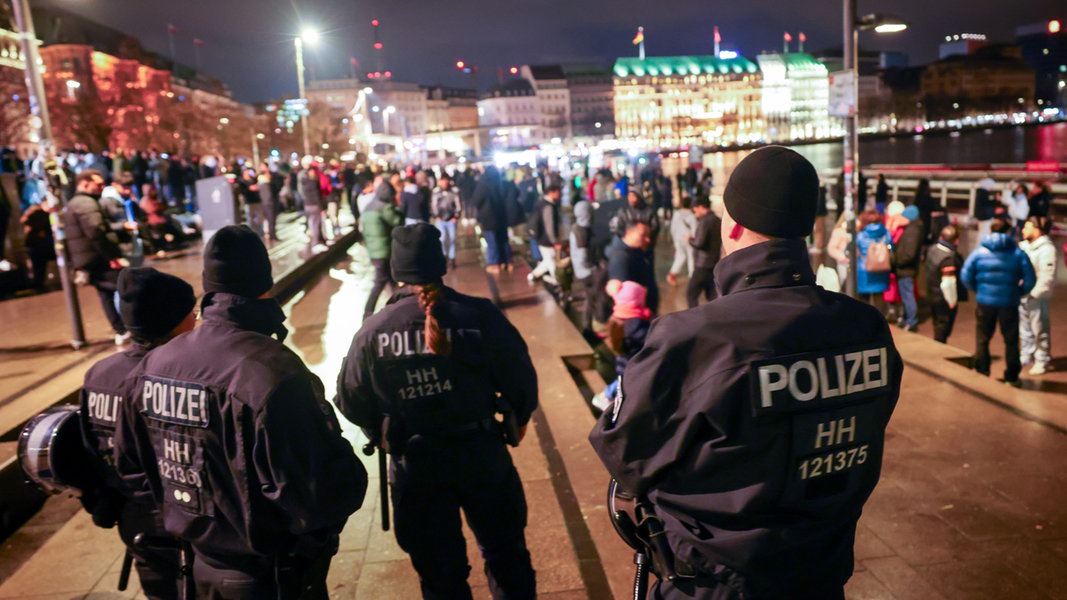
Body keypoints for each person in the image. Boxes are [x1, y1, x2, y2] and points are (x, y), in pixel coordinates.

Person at [589, 146, 902, 599]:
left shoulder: (691, 338)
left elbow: (624, 455)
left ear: (731, 225)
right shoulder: (867, 328)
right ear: (804, 229)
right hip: (821, 575)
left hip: (717, 584)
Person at [115, 226, 367, 599]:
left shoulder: (151, 367)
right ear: (264, 282)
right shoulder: (271, 371)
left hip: (196, 567)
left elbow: (132, 467)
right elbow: (318, 492)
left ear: (209, 286)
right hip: (270, 577)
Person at [335, 223, 538, 599]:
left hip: (416, 466)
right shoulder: (480, 316)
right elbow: (520, 375)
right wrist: (518, 417)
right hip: (481, 455)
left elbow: (349, 397)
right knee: (507, 556)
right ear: (439, 264)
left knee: (440, 575)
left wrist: (379, 429)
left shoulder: (373, 331)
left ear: (397, 271)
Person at [80, 267, 196, 600]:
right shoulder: (176, 377)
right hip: (186, 516)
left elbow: (91, 449)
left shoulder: (98, 374)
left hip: (135, 519)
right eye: (191, 312)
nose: (195, 319)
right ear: (175, 321)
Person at [960, 217, 1036, 387]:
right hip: (1009, 302)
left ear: (991, 231)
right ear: (1009, 232)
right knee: (1011, 340)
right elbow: (1030, 279)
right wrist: (1018, 292)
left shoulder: (979, 252)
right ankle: (1011, 376)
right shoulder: (1018, 253)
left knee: (983, 338)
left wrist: (978, 290)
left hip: (985, 302)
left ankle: (982, 369)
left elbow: (965, 275)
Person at [62, 169, 131, 345]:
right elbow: (96, 232)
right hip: (99, 257)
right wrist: (113, 256)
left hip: (87, 259)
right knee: (126, 288)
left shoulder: (73, 203)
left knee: (106, 294)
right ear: (84, 184)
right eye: (98, 184)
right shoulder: (87, 203)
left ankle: (121, 330)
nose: (102, 187)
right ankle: (135, 328)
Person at [590, 280, 652, 412]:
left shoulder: (619, 317)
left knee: (621, 382)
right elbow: (650, 339)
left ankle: (608, 398)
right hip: (631, 364)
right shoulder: (635, 324)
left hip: (624, 360)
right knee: (622, 384)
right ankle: (606, 398)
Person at [361, 180, 404, 322]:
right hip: (384, 251)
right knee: (380, 282)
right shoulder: (384, 208)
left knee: (391, 281)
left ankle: (396, 307)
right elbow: (398, 222)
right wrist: (397, 206)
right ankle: (367, 313)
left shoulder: (368, 207)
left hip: (373, 251)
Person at [1019, 216, 1057, 376]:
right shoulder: (1023, 246)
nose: (1023, 230)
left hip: (1035, 297)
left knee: (1039, 328)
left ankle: (1042, 358)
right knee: (1024, 328)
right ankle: (1026, 354)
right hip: (1022, 295)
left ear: (1037, 229)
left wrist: (1035, 294)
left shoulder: (1047, 250)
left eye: (1027, 227)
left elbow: (1047, 276)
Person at [924, 225, 967, 344]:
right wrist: (952, 301)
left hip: (932, 293)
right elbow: (948, 284)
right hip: (943, 298)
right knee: (943, 327)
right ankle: (939, 348)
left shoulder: (932, 249)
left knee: (936, 322)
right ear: (956, 240)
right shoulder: (948, 259)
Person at [606, 221, 657, 315]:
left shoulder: (638, 251)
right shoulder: (620, 258)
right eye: (643, 235)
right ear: (629, 233)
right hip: (636, 315)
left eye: (648, 236)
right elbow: (624, 298)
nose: (648, 240)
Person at [892, 204, 924, 332]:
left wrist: (897, 262)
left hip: (906, 270)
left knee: (908, 296)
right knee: (906, 295)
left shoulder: (912, 232)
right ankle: (908, 319)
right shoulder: (913, 229)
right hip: (906, 269)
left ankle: (911, 321)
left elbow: (909, 254)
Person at [686, 195, 722, 308]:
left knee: (691, 294)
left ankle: (695, 320)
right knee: (711, 294)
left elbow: (699, 243)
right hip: (714, 262)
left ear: (701, 207)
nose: (694, 214)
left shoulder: (705, 221)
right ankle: (716, 317)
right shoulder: (717, 220)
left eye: (695, 211)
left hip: (702, 264)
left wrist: (690, 240)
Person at [855, 209, 891, 311]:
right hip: (882, 270)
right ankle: (880, 323)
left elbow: (849, 251)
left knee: (863, 302)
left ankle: (864, 323)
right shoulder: (886, 233)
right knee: (879, 300)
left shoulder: (860, 235)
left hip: (864, 271)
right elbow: (891, 247)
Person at [569, 199, 597, 331]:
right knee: (591, 299)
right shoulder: (582, 233)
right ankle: (587, 327)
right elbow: (582, 257)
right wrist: (594, 268)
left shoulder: (577, 228)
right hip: (586, 272)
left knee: (590, 298)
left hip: (582, 271)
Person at [527, 184, 562, 286]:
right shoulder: (548, 206)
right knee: (552, 261)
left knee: (548, 260)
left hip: (540, 237)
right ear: (551, 192)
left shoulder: (540, 203)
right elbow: (549, 226)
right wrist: (554, 241)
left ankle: (533, 275)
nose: (559, 195)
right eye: (558, 192)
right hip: (546, 239)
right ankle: (557, 281)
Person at [431, 173, 462, 268]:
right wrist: (436, 216)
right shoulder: (436, 192)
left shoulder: (453, 192)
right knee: (442, 238)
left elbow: (458, 205)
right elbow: (433, 205)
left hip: (451, 219)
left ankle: (452, 258)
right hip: (440, 219)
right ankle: (444, 256)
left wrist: (455, 216)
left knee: (452, 238)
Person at [666, 196, 696, 286]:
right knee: (691, 258)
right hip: (689, 239)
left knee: (680, 256)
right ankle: (692, 277)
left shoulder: (677, 214)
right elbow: (694, 229)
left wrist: (674, 238)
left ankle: (672, 274)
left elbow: (673, 228)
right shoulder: (692, 216)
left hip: (678, 239)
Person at [974, 174, 997, 240]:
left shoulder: (980, 193)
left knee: (982, 233)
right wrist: (994, 200)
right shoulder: (983, 193)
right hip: (984, 217)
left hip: (982, 217)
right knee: (983, 233)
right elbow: (986, 204)